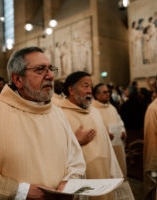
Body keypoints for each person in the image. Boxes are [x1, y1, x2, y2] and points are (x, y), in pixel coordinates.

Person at [0, 47, 86, 200]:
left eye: (50, 69)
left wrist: (68, 183)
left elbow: (75, 160)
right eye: (40, 70)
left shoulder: (57, 113)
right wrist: (20, 191)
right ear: (18, 79)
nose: (50, 76)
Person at [59, 71, 122, 200]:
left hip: (104, 173)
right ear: (71, 90)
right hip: (84, 179)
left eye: (90, 87)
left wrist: (113, 173)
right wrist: (76, 141)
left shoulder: (94, 112)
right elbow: (54, 152)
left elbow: (108, 147)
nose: (89, 91)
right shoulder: (60, 115)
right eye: (85, 86)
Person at [92, 83, 127, 179]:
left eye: (108, 92)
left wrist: (123, 131)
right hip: (104, 147)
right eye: (105, 92)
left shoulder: (112, 108)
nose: (108, 94)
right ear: (97, 95)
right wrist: (104, 135)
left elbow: (120, 122)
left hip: (117, 144)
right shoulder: (92, 109)